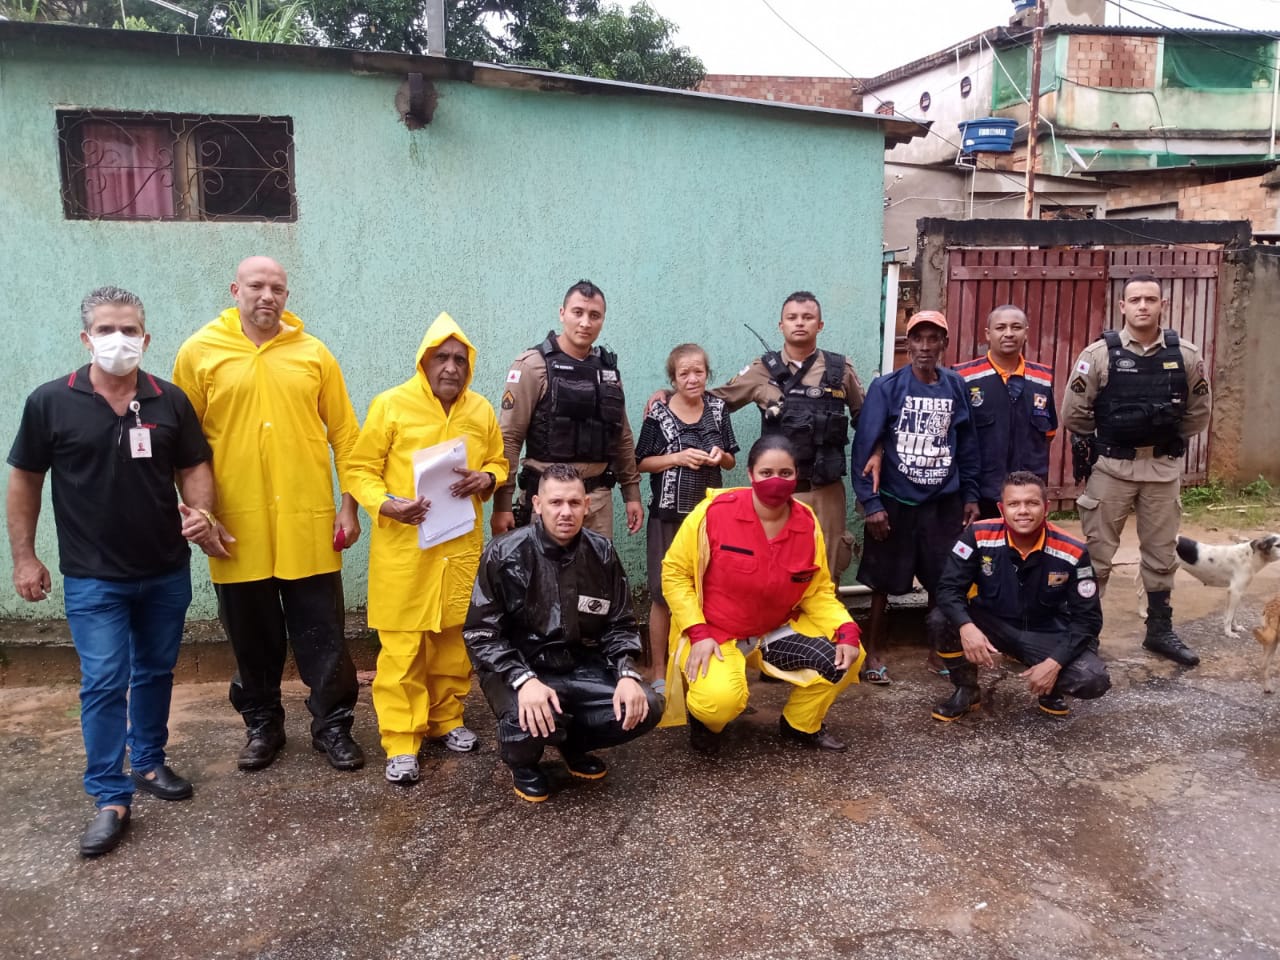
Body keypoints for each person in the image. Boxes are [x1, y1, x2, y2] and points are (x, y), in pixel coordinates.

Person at [6, 286, 225, 856]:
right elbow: (25, 480)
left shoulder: (168, 401)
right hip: (92, 576)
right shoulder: (51, 402)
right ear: (86, 338)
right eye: (106, 330)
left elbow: (195, 465)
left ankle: (149, 763)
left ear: (146, 338)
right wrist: (25, 557)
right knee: (104, 680)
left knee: (154, 671)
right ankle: (110, 794)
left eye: (129, 329)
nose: (118, 340)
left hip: (164, 570)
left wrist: (202, 516)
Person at [172, 256, 365, 773]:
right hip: (235, 529)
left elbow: (346, 436)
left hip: (308, 524)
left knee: (324, 637)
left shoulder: (313, 353)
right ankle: (263, 727)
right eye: (256, 285)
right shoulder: (199, 353)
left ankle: (333, 727)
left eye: (277, 288)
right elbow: (181, 444)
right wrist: (197, 515)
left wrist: (348, 506)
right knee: (252, 641)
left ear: (286, 295)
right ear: (235, 288)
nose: (267, 296)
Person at [346, 313, 508, 785]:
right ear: (424, 361)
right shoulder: (391, 406)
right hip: (405, 552)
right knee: (402, 650)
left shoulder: (479, 411)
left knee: (453, 643)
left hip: (458, 550)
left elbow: (499, 459)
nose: (451, 367)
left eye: (460, 358)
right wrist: (385, 505)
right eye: (442, 357)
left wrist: (489, 478)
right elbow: (359, 470)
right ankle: (401, 739)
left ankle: (446, 720)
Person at [464, 463, 663, 803]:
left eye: (574, 503)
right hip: (517, 669)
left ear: (587, 505)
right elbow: (481, 633)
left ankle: (574, 743)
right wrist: (522, 679)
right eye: (556, 503)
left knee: (648, 704)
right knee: (529, 718)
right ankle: (522, 763)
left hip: (577, 664)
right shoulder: (504, 553)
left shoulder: (600, 552)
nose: (565, 512)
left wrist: (627, 673)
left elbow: (620, 623)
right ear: (538, 504)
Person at [659, 435, 864, 755]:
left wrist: (846, 628)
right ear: (750, 474)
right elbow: (674, 573)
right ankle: (705, 722)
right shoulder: (713, 513)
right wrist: (697, 631)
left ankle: (800, 724)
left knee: (848, 652)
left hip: (774, 631)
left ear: (797, 475)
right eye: (766, 473)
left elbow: (817, 589)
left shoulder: (806, 522)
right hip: (715, 633)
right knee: (719, 701)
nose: (776, 481)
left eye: (785, 473)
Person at [653, 291, 863, 579]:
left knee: (826, 571)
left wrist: (872, 466)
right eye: (792, 318)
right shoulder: (762, 370)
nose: (799, 323)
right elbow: (714, 401)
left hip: (826, 491)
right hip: (777, 491)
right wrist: (669, 395)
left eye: (807, 317)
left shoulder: (841, 369)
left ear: (820, 325)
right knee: (776, 571)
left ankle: (825, 627)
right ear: (781, 326)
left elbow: (864, 419)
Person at [1062, 275, 1212, 666]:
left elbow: (1198, 413)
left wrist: (1161, 440)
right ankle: (1084, 634)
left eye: (1150, 299)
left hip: (1162, 469)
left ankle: (1159, 631)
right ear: (1123, 307)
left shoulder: (1186, 356)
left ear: (1162, 305)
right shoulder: (1098, 355)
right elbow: (1075, 413)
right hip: (1111, 468)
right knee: (1097, 555)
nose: (1143, 306)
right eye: (1135, 299)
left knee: (1162, 555)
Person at [850, 310, 981, 685]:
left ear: (944, 343)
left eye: (933, 338)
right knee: (882, 581)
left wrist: (970, 493)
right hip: (895, 500)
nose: (925, 346)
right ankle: (874, 651)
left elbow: (967, 444)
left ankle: (937, 648)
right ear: (907, 345)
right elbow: (865, 447)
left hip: (943, 501)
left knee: (944, 579)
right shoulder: (887, 387)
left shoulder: (956, 386)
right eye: (917, 339)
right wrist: (871, 504)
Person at [932, 471, 1110, 721]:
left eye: (1032, 503)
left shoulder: (1073, 550)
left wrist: (1054, 664)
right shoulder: (978, 536)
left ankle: (1051, 689)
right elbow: (949, 588)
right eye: (1014, 504)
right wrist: (967, 627)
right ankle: (967, 690)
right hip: (995, 624)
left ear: (1046, 508)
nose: (1023, 511)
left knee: (1092, 679)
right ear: (1001, 508)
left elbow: (1088, 620)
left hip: (1046, 631)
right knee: (942, 620)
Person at [490, 280, 643, 540]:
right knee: (541, 578)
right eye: (577, 312)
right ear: (562, 314)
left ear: (603, 319)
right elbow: (509, 438)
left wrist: (632, 494)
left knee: (595, 577)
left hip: (596, 501)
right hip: (548, 501)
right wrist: (502, 503)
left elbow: (621, 436)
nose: (585, 322)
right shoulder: (532, 365)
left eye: (594, 315)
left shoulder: (607, 371)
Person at [634, 343, 738, 687]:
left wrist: (718, 455)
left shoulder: (718, 409)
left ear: (707, 374)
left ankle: (701, 666)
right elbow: (641, 462)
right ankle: (659, 670)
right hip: (667, 517)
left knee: (708, 589)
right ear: (673, 379)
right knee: (662, 593)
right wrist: (677, 458)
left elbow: (731, 460)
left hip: (709, 516)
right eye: (684, 373)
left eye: (699, 372)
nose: (692, 379)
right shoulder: (658, 413)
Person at [953, 305, 1058, 519]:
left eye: (1016, 327)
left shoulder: (1042, 378)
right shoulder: (964, 377)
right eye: (1000, 327)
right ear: (988, 334)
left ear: (1026, 333)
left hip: (1027, 495)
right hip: (981, 494)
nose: (1009, 333)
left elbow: (1048, 435)